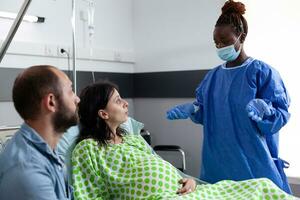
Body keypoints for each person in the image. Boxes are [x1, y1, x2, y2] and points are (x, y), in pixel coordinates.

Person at [71, 81, 294, 200]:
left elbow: (163, 168)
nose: (125, 104)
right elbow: (89, 195)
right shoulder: (88, 149)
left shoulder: (132, 139)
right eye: (118, 101)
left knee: (261, 187)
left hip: (186, 192)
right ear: (103, 114)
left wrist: (189, 181)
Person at [166, 0, 292, 194]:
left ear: (241, 36)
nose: (220, 46)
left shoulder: (262, 72)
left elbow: (279, 115)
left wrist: (266, 110)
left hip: (254, 167)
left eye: (225, 41)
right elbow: (209, 116)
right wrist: (195, 110)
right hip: (216, 164)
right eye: (216, 42)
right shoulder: (212, 77)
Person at [0, 65, 80, 199]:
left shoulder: (47, 153)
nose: (77, 99)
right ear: (51, 102)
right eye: (71, 91)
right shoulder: (28, 171)